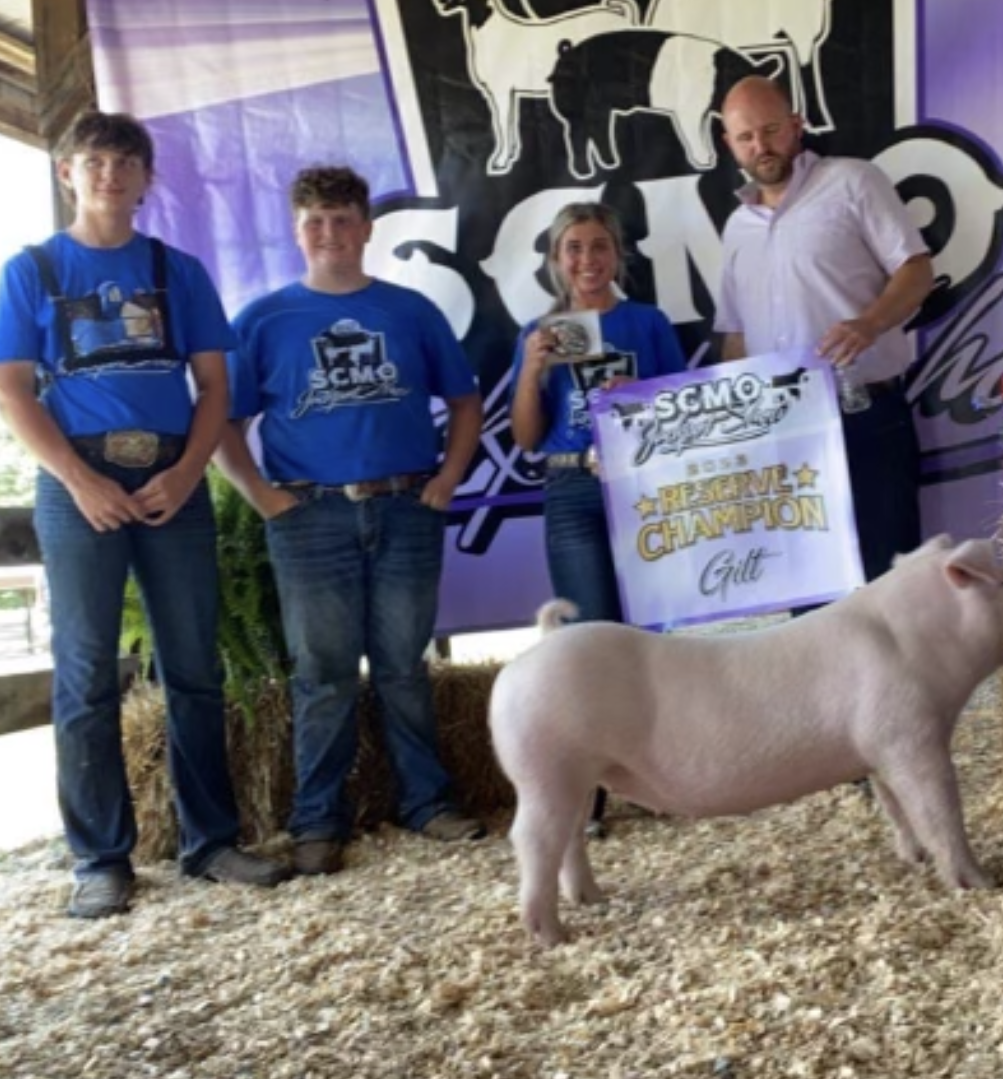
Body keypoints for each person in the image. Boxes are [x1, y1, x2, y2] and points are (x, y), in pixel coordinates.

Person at [0, 110, 290, 918]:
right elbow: (13, 390)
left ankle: (212, 842)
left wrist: (190, 468)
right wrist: (79, 480)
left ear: (145, 178)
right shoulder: (30, 270)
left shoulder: (177, 270)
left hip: (173, 474)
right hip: (77, 477)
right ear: (67, 173)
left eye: (125, 162)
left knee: (194, 662)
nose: (109, 175)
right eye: (93, 161)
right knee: (87, 669)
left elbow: (217, 390)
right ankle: (99, 857)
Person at [215, 165, 486, 877]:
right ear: (296, 230)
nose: (329, 233)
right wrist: (263, 498)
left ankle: (427, 801)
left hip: (404, 506)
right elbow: (222, 423)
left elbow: (464, 402)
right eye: (314, 221)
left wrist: (448, 479)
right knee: (324, 673)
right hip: (309, 515)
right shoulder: (263, 318)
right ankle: (318, 819)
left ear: (367, 229)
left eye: (342, 219)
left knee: (402, 665)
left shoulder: (411, 311)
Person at [713, 76, 935, 584]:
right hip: (782, 431)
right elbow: (736, 336)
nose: (761, 147)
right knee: (807, 590)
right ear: (729, 145)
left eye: (771, 130)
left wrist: (871, 322)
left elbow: (917, 270)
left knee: (890, 586)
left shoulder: (854, 181)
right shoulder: (736, 228)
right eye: (746, 137)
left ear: (797, 125)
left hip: (865, 415)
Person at [509, 201, 686, 832]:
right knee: (586, 639)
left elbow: (682, 409)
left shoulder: (648, 322)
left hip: (641, 487)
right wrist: (531, 369)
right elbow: (526, 439)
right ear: (557, 261)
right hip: (572, 488)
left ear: (618, 255)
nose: (587, 260)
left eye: (598, 246)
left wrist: (636, 401)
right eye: (574, 249)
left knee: (649, 633)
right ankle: (590, 790)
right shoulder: (539, 332)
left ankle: (663, 775)